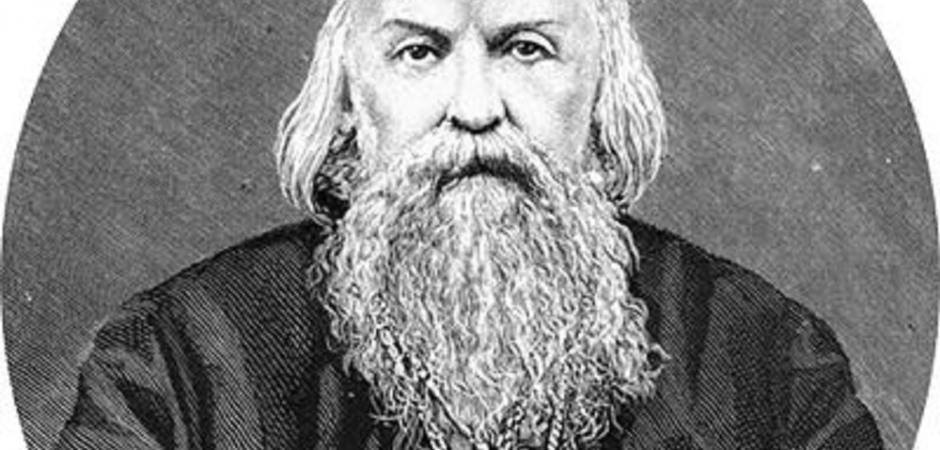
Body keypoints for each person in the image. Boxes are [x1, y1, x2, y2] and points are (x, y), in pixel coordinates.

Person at [54, 0, 885, 448]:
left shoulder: (768, 364)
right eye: (419, 51)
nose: (477, 109)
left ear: (603, 98)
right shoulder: (178, 367)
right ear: (347, 107)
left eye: (526, 47)